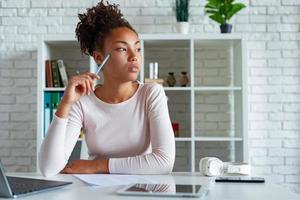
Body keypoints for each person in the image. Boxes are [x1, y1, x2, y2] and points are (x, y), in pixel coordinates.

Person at [39, 0, 175, 177]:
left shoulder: (151, 93)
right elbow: (48, 169)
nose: (134, 57)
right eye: (121, 49)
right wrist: (65, 103)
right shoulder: (83, 102)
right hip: (96, 192)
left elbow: (164, 163)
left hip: (142, 191)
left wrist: (96, 166)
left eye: (138, 48)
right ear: (98, 57)